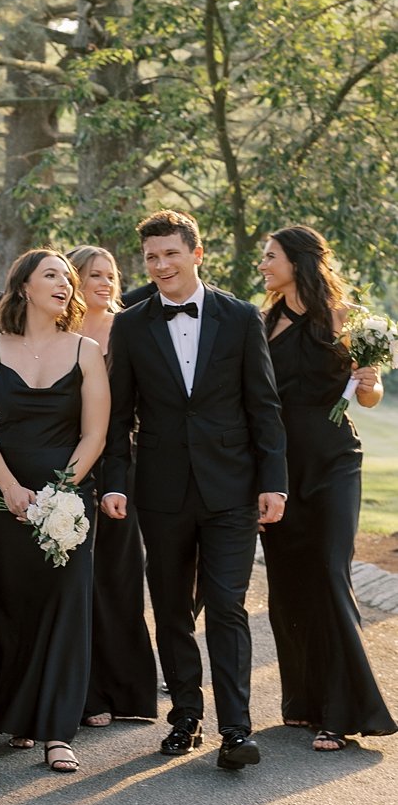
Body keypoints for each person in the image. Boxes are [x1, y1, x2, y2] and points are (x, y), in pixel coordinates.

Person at [102, 210, 287, 770]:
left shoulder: (241, 317)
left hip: (231, 488)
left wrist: (273, 481)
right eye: (152, 257)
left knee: (228, 606)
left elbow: (264, 405)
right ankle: (185, 714)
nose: (160, 265)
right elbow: (119, 415)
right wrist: (114, 482)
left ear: (196, 254)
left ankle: (236, 729)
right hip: (159, 491)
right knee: (173, 609)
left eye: (170, 254)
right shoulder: (130, 325)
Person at [0, 249, 108, 774]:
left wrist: (59, 491)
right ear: (23, 286)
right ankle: (9, 714)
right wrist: (9, 487)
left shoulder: (87, 351)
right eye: (52, 275)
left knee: (64, 606)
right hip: (2, 496)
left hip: (68, 500)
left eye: (68, 278)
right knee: (7, 603)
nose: (65, 284)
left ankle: (56, 731)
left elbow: (94, 433)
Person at [256, 226, 394, 750]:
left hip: (334, 459)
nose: (264, 265)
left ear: (299, 261)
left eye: (271, 256)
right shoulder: (261, 322)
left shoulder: (346, 319)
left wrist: (369, 381)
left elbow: (370, 396)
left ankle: (342, 711)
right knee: (289, 581)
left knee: (330, 573)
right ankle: (304, 702)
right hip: (277, 467)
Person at [65, 245, 157, 728]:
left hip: (120, 465)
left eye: (111, 275)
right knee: (72, 579)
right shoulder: (56, 332)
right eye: (93, 275)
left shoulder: (131, 330)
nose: (106, 283)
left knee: (117, 576)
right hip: (62, 462)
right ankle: (79, 691)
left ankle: (122, 690)